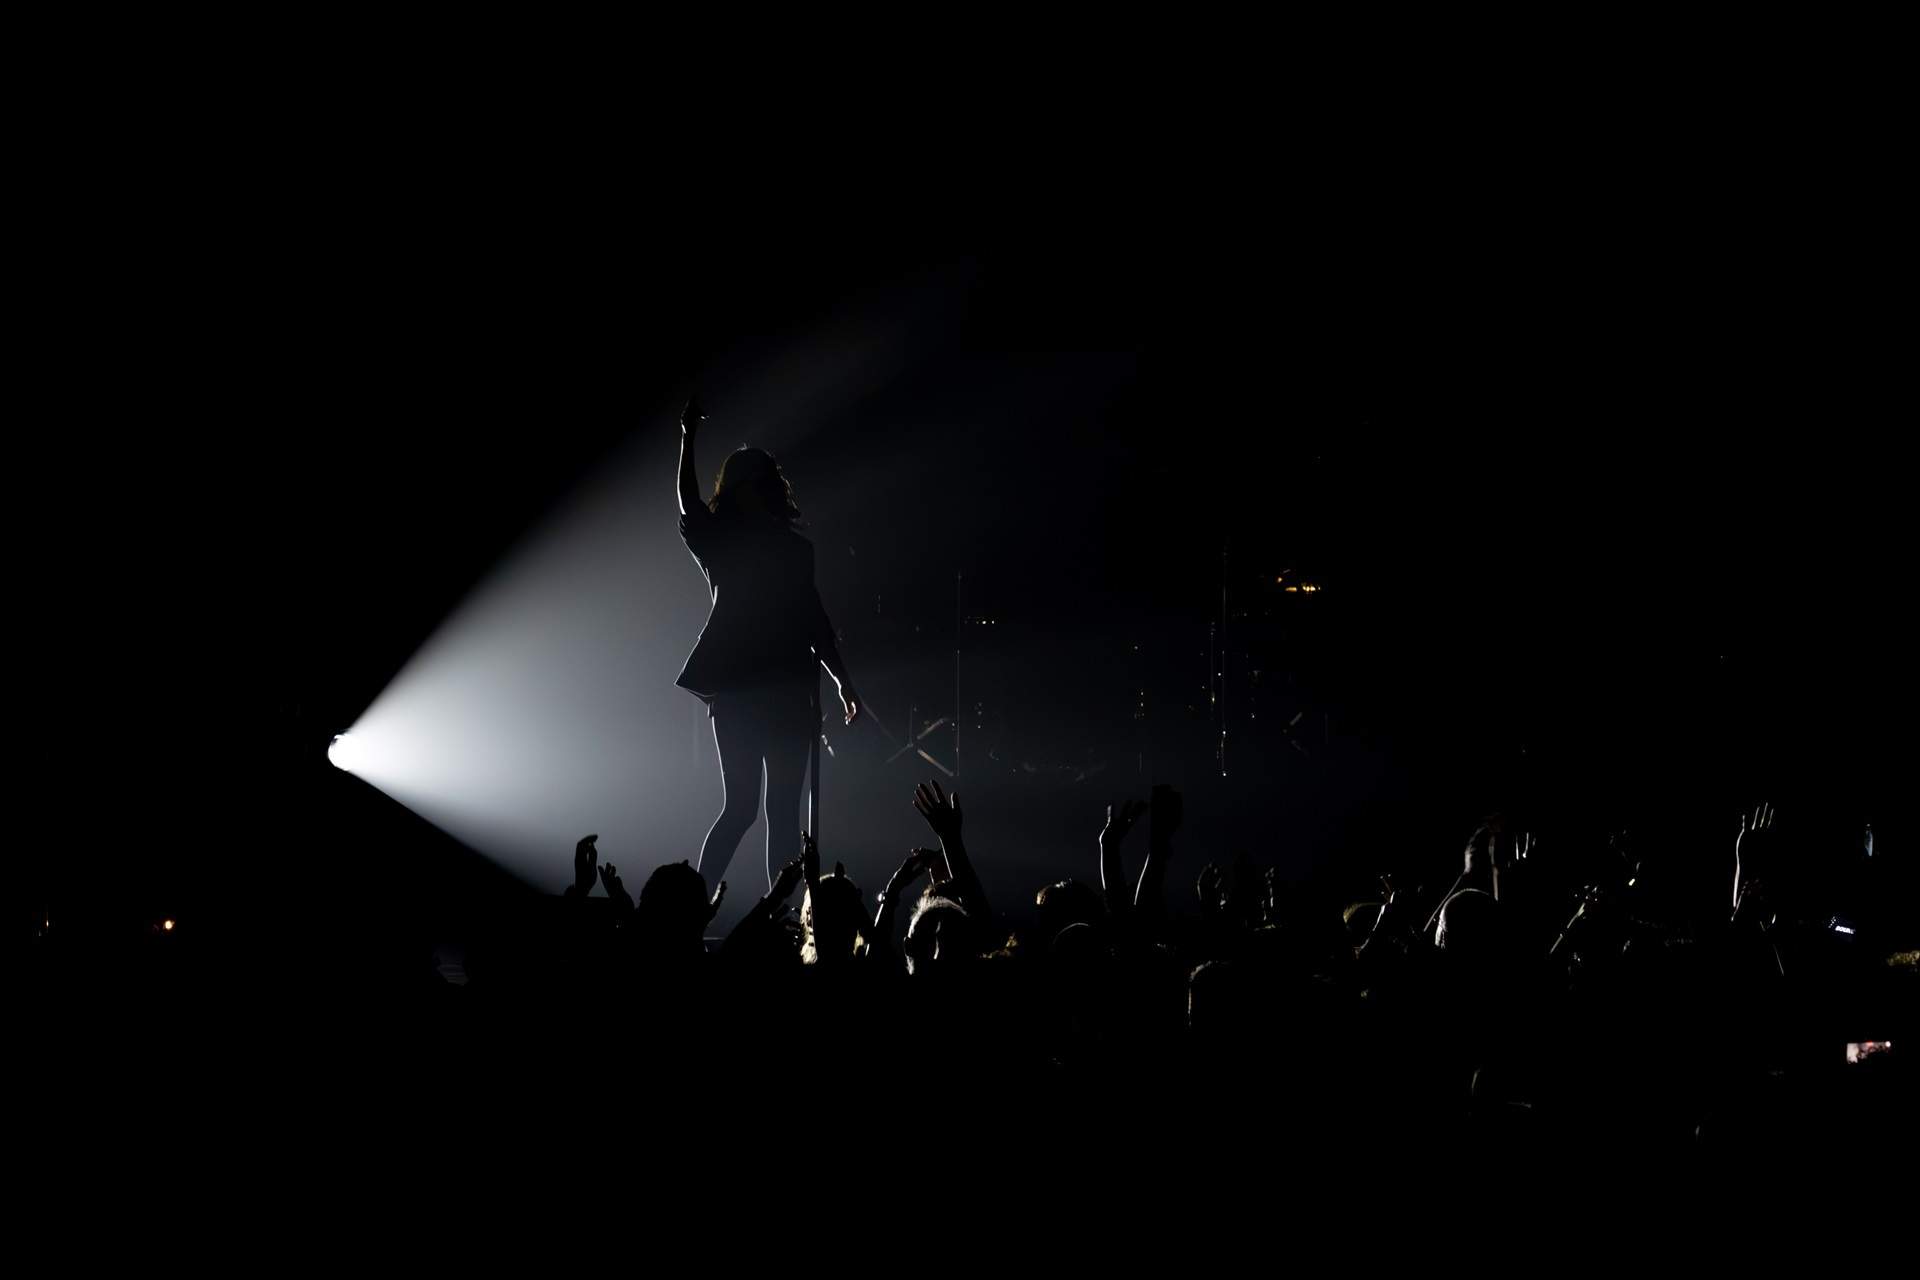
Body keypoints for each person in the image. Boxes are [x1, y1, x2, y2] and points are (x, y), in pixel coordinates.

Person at [675, 395, 860, 891]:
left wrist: (843, 682)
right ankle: (699, 912)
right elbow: (690, 506)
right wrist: (689, 437)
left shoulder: (794, 551)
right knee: (743, 810)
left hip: (781, 691)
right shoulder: (724, 544)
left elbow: (815, 620)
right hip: (745, 692)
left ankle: (779, 923)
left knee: (778, 813)